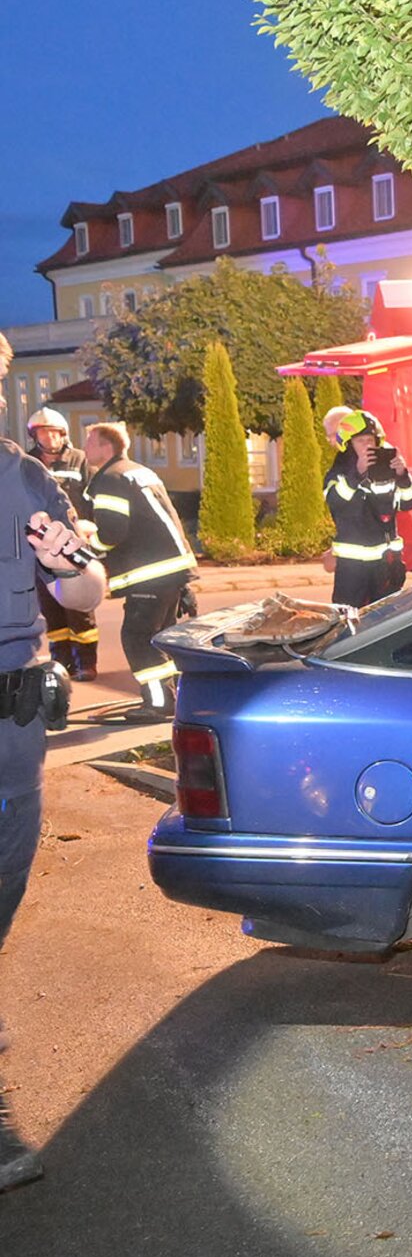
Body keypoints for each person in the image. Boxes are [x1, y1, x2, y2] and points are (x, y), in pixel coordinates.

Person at [0, 433, 107, 1194]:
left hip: (13, 725)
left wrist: (72, 568)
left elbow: (86, 591)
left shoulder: (25, 475)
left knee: (5, 886)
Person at [81, 422, 197, 722]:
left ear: (107, 447)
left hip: (149, 573)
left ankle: (158, 704)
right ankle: (171, 697)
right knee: (159, 638)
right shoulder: (137, 471)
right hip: (171, 569)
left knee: (137, 638)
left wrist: (88, 542)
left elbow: (112, 531)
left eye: (90, 442)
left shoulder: (110, 479)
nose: (85, 449)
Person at [24, 409, 99, 681]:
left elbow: (92, 498)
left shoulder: (78, 460)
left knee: (79, 608)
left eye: (54, 432)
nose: (50, 438)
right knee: (51, 607)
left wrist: (91, 529)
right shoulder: (28, 463)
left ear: (63, 434)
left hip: (74, 545)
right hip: (40, 549)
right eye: (44, 432)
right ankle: (62, 660)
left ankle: (86, 661)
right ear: (35, 435)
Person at [322, 407, 412, 608]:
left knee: (386, 621)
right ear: (349, 444)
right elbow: (336, 502)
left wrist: (402, 475)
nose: (368, 445)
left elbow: (410, 501)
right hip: (353, 569)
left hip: (387, 565)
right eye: (361, 441)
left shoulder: (387, 470)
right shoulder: (339, 473)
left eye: (371, 440)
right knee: (348, 621)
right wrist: (357, 475)